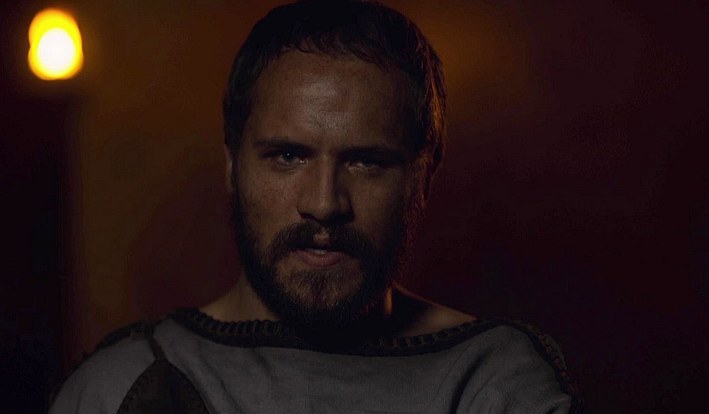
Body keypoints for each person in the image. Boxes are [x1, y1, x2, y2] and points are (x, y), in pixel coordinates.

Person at [49, 1, 582, 412]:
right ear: (233, 166)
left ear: (423, 176)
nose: (324, 204)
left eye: (366, 162)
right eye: (288, 156)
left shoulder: (492, 384)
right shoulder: (129, 384)